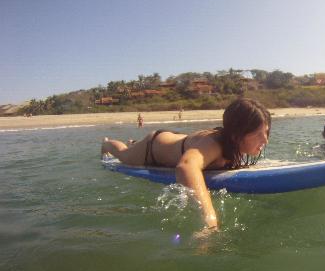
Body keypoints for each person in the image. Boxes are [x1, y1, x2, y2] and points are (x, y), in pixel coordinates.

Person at [102, 98, 271, 229]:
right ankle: (107, 143)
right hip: (152, 148)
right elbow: (186, 167)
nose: (265, 140)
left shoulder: (233, 144)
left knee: (132, 148)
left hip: (178, 141)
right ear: (237, 134)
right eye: (257, 135)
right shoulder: (214, 144)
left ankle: (133, 142)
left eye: (266, 133)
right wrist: (209, 218)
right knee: (124, 154)